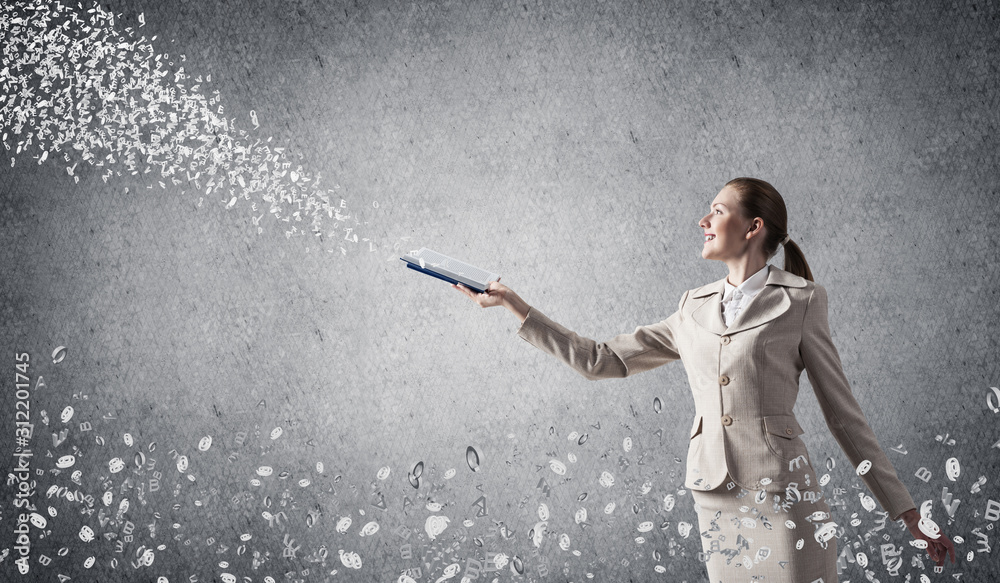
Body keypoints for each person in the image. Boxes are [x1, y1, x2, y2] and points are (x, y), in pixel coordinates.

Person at [452, 177, 955, 582]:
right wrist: (514, 307)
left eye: (717, 210)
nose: (703, 219)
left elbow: (844, 416)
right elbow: (599, 359)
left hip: (781, 499)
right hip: (714, 497)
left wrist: (905, 513)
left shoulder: (802, 301)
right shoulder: (691, 307)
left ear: (753, 227)